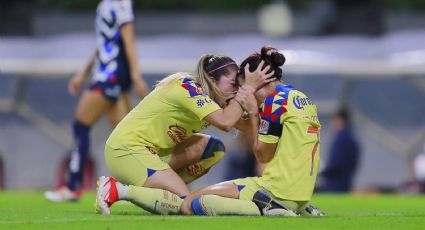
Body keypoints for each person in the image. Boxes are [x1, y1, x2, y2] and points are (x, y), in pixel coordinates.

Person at [94, 54, 275, 215]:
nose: (237, 91)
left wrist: (283, 127)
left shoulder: (217, 100)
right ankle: (117, 190)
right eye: (234, 84)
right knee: (184, 204)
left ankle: (163, 191)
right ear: (212, 80)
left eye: (239, 86)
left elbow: (251, 128)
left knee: (214, 149)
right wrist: (249, 88)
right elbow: (226, 122)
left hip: (152, 153)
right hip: (127, 150)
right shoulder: (187, 86)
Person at [180, 45, 324, 216]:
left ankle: (270, 208)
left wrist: (254, 112)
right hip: (301, 196)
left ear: (260, 81)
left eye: (246, 88)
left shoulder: (274, 103)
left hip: (274, 190)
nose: (249, 95)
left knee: (192, 203)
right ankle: (297, 210)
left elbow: (263, 155)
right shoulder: (299, 97)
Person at [45, 0, 149, 202]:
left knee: (81, 127)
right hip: (108, 75)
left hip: (109, 77)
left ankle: (73, 186)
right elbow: (104, 44)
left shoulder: (120, 4)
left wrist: (136, 76)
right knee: (127, 137)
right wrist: (83, 73)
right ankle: (151, 184)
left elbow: (129, 41)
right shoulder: (106, 4)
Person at [318, 107, 360, 192]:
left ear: (340, 120)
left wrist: (321, 172)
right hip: (345, 182)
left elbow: (336, 164)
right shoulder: (351, 137)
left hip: (336, 184)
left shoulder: (342, 139)